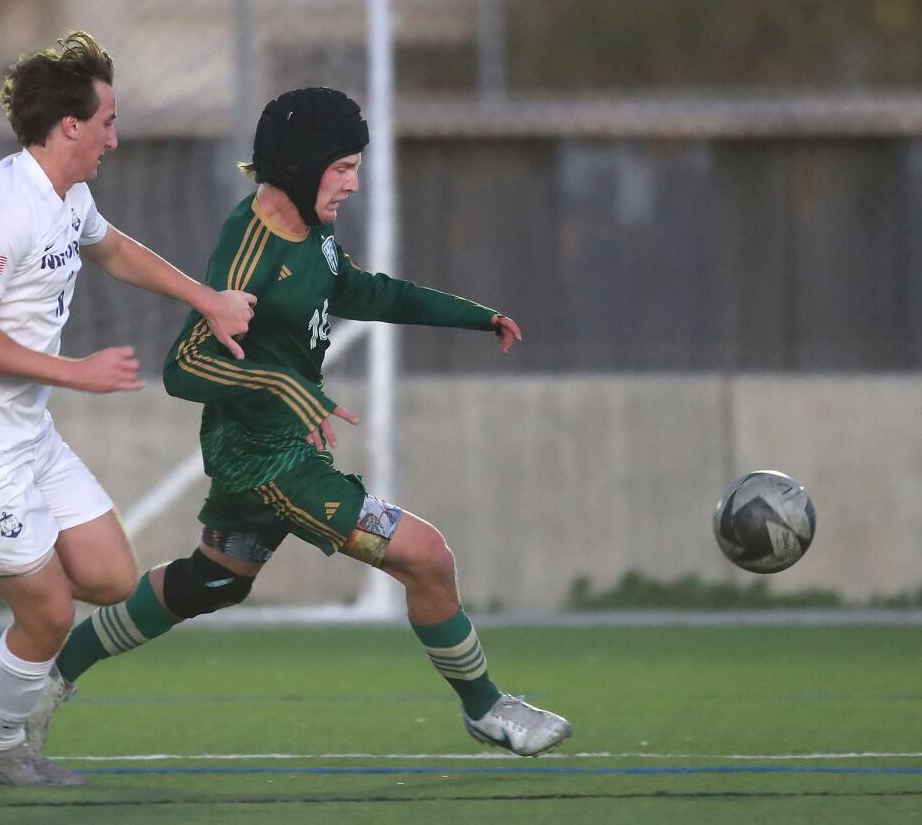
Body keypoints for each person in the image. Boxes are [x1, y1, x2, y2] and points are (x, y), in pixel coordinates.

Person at [30, 87, 572, 761]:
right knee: (427, 557)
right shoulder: (249, 253)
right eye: (342, 166)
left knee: (214, 580)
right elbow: (184, 366)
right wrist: (288, 385)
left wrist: (472, 314)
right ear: (301, 163)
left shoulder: (310, 232)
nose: (352, 182)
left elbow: (363, 290)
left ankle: (50, 677)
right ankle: (486, 709)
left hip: (273, 446)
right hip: (266, 459)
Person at [0, 31, 255, 786]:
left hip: (25, 434)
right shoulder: (1, 208)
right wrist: (73, 372)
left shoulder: (68, 194)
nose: (117, 135)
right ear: (70, 125)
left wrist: (205, 298)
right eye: (108, 119)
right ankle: (0, 750)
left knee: (111, 576)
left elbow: (112, 250)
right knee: (47, 612)